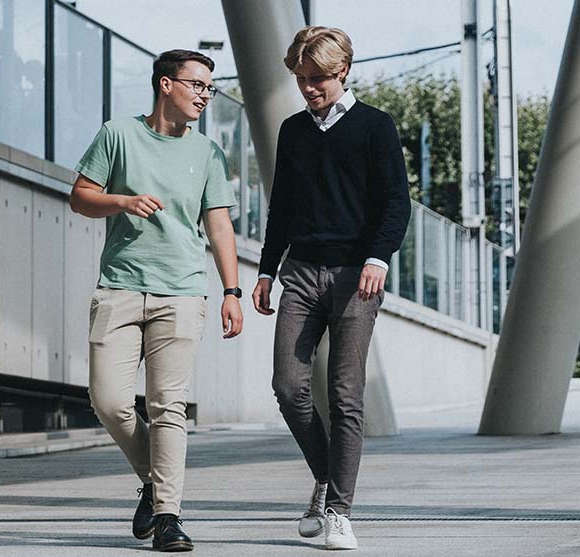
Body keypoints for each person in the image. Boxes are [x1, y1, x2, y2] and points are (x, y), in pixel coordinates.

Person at [69, 49, 242, 553]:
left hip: (182, 291)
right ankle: (153, 479)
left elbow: (219, 225)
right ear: (166, 85)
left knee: (169, 407)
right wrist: (122, 200)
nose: (205, 95)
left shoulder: (209, 153)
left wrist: (231, 291)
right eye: (197, 85)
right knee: (109, 401)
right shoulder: (118, 134)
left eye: (211, 88)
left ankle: (168, 514)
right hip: (120, 287)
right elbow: (80, 196)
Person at [251, 26, 410, 551]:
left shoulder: (375, 127)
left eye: (317, 78)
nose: (308, 88)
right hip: (299, 272)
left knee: (344, 395)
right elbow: (282, 208)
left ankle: (340, 511)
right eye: (301, 79)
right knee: (287, 387)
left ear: (342, 71)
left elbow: (395, 203)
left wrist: (376, 258)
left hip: (355, 276)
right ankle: (324, 478)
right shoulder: (294, 131)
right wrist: (267, 270)